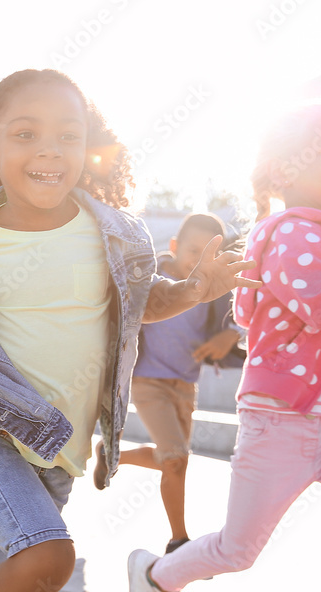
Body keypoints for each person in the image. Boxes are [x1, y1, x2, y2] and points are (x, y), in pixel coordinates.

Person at [0, 69, 258, 592]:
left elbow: (147, 303)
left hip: (61, 452)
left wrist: (195, 289)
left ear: (87, 147)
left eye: (68, 134)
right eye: (26, 133)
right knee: (46, 555)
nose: (48, 149)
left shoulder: (111, 234)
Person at [128, 98, 321, 592]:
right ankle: (154, 575)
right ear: (286, 168)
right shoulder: (293, 231)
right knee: (237, 549)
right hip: (281, 426)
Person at [93, 212, 244, 555]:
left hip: (186, 384)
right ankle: (179, 541)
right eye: (193, 250)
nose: (199, 261)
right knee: (176, 458)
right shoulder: (152, 280)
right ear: (174, 247)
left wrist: (228, 335)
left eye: (209, 254)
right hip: (149, 381)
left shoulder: (213, 289)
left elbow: (238, 317)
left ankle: (112, 455)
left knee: (175, 459)